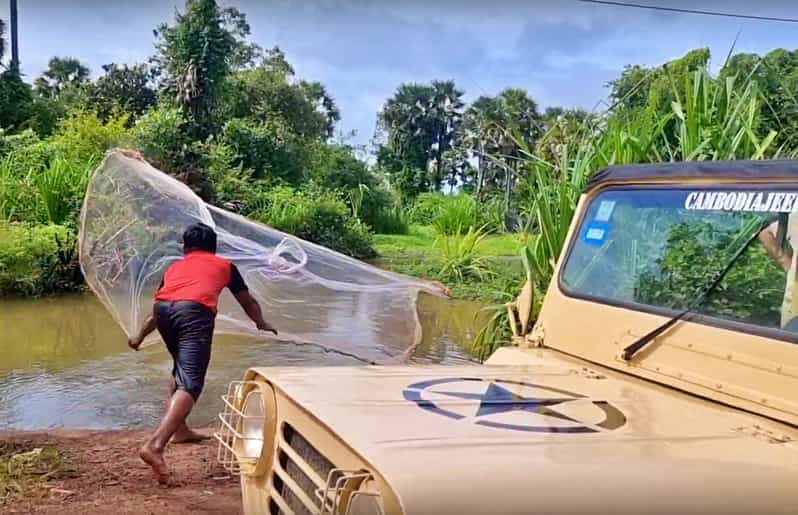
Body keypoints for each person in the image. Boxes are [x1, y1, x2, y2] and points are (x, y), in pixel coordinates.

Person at [128, 222, 277, 482]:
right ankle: (155, 445)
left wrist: (139, 336)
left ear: (185, 248)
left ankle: (181, 431)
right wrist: (260, 322)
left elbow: (158, 307)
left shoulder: (175, 267)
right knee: (192, 383)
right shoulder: (225, 266)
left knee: (180, 368)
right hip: (194, 314)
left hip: (165, 313)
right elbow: (247, 301)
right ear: (214, 246)